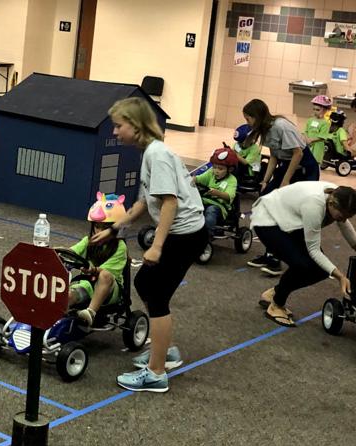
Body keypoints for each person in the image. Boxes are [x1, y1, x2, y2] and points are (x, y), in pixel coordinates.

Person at [91, 97, 208, 393]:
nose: (115, 132)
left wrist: (156, 246)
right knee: (149, 285)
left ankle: (156, 372)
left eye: (119, 126)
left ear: (136, 124)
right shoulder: (150, 153)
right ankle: (165, 351)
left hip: (186, 234)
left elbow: (169, 202)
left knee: (153, 291)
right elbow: (146, 201)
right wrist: (115, 228)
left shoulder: (157, 154)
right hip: (184, 234)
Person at [250, 181, 356, 327]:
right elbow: (314, 250)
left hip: (288, 219)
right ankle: (276, 306)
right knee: (300, 265)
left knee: (321, 270)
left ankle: (273, 294)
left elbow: (345, 224)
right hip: (267, 220)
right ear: (332, 204)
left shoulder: (338, 195)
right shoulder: (314, 205)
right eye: (341, 215)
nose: (342, 219)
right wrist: (341, 277)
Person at [242, 98, 320, 276]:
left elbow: (298, 153)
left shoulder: (281, 126)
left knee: (283, 213)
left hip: (303, 170)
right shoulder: (266, 130)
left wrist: (285, 182)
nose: (247, 123)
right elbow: (274, 156)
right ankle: (270, 252)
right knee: (263, 205)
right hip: (286, 167)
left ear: (257, 116)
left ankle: (278, 258)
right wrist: (265, 181)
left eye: (248, 119)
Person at [65, 192, 129, 326]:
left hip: (110, 290)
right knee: (67, 297)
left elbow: (105, 273)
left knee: (105, 275)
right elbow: (71, 252)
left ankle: (90, 313)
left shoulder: (120, 247)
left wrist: (92, 269)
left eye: (104, 228)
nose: (99, 231)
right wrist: (56, 251)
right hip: (88, 284)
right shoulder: (88, 241)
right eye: (97, 226)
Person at [195, 146, 238, 235]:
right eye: (214, 167)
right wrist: (191, 179)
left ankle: (207, 235)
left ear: (230, 169)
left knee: (211, 211)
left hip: (219, 206)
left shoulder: (232, 180)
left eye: (220, 169)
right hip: (203, 201)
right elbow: (199, 179)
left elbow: (229, 196)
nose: (216, 171)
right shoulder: (211, 173)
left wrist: (218, 193)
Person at [304, 95, 332, 166]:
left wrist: (311, 140)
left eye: (318, 110)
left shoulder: (325, 123)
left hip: (317, 148)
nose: (315, 112)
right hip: (307, 145)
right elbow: (305, 131)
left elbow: (322, 136)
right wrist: (306, 139)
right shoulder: (310, 120)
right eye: (314, 109)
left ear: (325, 110)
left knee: (314, 165)